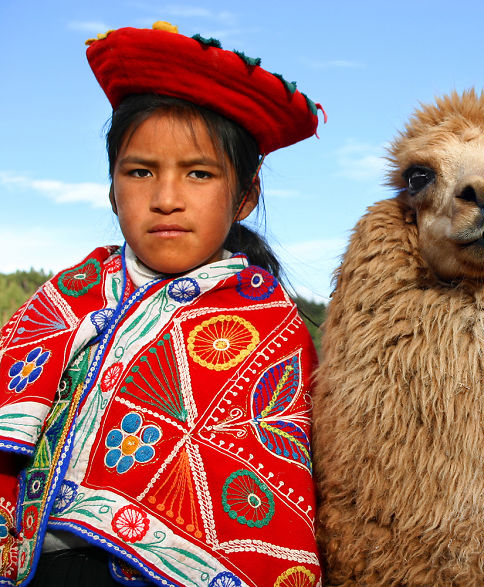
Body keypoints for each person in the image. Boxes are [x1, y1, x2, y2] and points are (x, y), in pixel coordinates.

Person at [0, 22, 325, 586]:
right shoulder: (68, 295)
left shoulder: (270, 330)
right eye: (140, 172)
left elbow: (277, 487)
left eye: (199, 173)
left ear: (245, 195)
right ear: (112, 189)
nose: (166, 198)